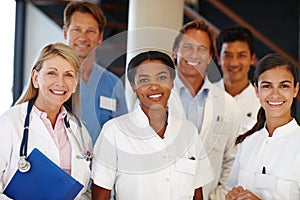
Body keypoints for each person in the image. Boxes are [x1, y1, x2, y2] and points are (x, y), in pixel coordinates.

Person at [91, 51, 214, 200]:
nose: (154, 87)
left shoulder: (188, 132)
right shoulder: (114, 131)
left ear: (172, 82)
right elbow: (100, 194)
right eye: (144, 80)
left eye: (161, 78)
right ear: (133, 86)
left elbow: (197, 194)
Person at [0, 43, 92, 199]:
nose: (60, 82)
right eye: (52, 73)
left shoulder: (80, 132)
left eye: (68, 75)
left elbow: (84, 192)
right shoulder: (9, 123)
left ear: (75, 84)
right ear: (35, 78)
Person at [171, 20, 242, 200]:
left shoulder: (228, 105)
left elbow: (232, 163)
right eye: (187, 47)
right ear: (175, 52)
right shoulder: (155, 98)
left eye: (202, 49)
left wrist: (216, 198)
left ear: (210, 57)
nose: (194, 54)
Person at [225, 53, 300, 200]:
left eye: (284, 86)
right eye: (267, 86)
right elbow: (230, 187)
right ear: (256, 90)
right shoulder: (247, 142)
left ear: (295, 90)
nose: (275, 94)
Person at [63, 1, 128, 145]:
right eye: (77, 30)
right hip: (60, 165)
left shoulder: (113, 84)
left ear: (100, 37)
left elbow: (123, 132)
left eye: (90, 31)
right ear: (65, 32)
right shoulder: (50, 80)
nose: (83, 37)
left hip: (102, 164)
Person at [215, 25, 260, 132]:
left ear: (252, 59)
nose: (234, 63)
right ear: (218, 59)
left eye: (241, 55)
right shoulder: (205, 96)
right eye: (228, 55)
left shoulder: (262, 101)